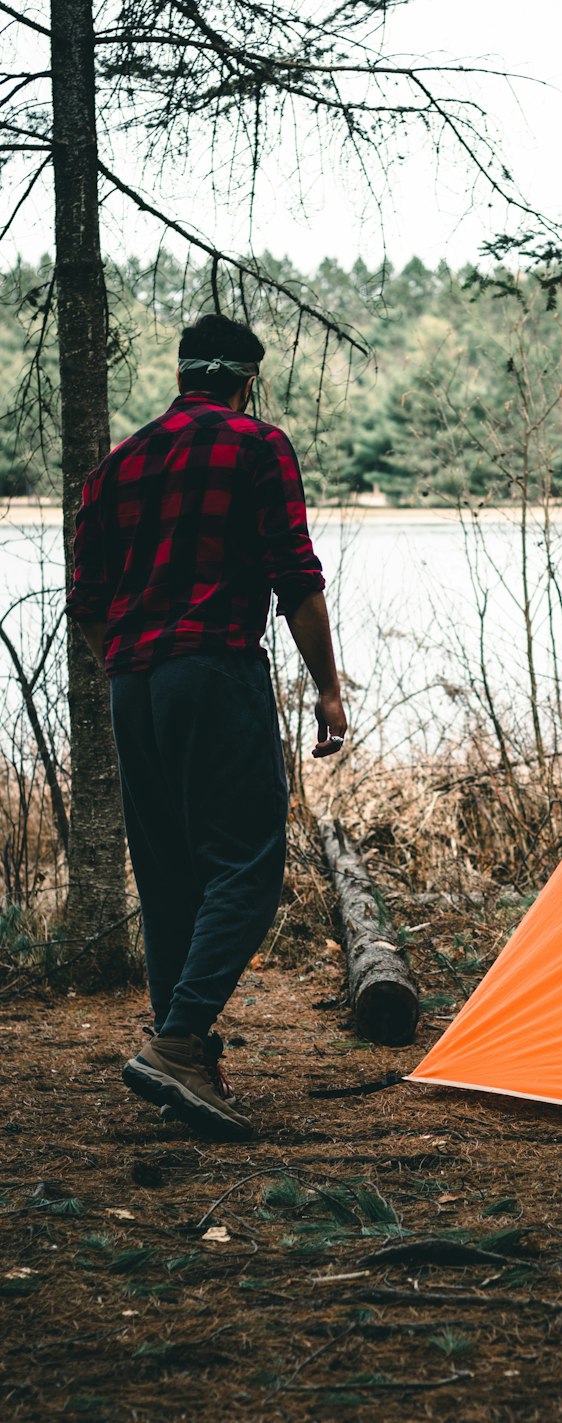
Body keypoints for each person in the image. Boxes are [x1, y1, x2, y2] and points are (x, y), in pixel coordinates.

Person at [65, 313, 347, 1142]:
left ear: (184, 375)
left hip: (132, 682)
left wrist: (124, 656)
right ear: (245, 381)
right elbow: (295, 577)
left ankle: (185, 1055)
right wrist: (328, 691)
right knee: (249, 865)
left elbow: (86, 604)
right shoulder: (258, 446)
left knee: (167, 875)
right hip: (213, 669)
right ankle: (181, 1041)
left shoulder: (113, 468)